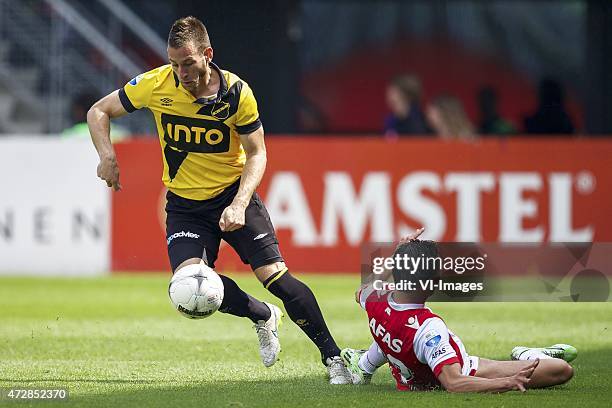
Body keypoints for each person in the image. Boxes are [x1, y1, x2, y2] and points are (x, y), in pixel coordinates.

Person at [87, 16, 351, 384]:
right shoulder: (154, 84)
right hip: (184, 207)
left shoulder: (236, 93)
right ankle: (262, 316)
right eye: (174, 64)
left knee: (277, 279)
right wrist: (107, 156)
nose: (181, 72)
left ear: (207, 55)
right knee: (187, 289)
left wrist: (240, 202)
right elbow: (98, 111)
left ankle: (335, 359)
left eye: (188, 64)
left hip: (232, 195)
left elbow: (257, 153)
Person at [341, 230, 576, 392]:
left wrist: (399, 251)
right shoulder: (428, 328)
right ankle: (526, 355)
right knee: (562, 370)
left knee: (393, 333)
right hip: (466, 370)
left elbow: (361, 290)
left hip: (409, 370)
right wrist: (507, 383)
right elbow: (454, 383)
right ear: (431, 285)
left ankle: (364, 365)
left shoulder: (374, 298)